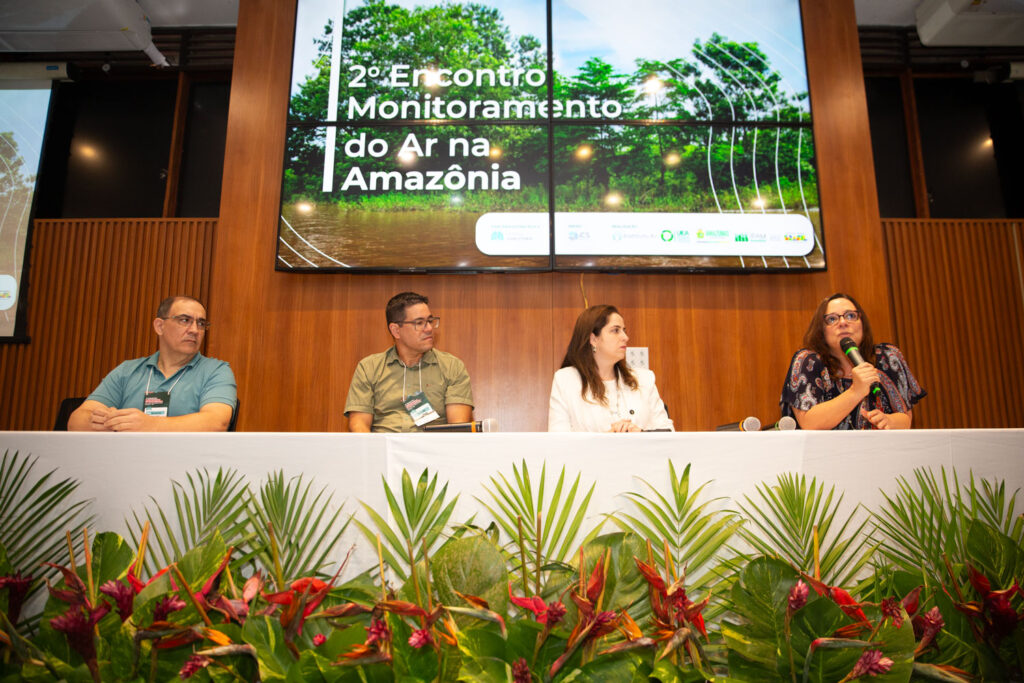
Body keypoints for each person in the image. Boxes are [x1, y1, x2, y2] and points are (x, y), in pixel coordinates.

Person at [68, 296, 237, 432]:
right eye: (185, 320)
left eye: (201, 323)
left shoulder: (216, 370)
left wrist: (149, 425)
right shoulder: (127, 370)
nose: (194, 330)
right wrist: (115, 422)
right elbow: (76, 421)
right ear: (159, 326)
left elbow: (216, 422)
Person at [780, 292, 925, 430]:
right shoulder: (807, 361)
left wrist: (889, 421)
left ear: (862, 322)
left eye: (850, 316)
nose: (843, 322)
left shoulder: (888, 357)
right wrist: (856, 391)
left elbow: (905, 418)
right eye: (832, 319)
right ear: (821, 329)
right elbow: (809, 423)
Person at [345, 292, 474, 432]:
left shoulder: (452, 367)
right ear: (396, 330)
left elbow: (456, 427)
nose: (429, 328)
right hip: (385, 449)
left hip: (431, 450)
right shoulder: (369, 368)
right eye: (419, 323)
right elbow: (359, 424)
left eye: (430, 321)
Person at [549, 304, 672, 432]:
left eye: (624, 330)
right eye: (615, 330)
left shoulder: (644, 379)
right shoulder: (565, 380)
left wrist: (640, 434)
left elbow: (668, 433)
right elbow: (558, 443)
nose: (625, 337)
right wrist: (607, 440)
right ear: (593, 339)